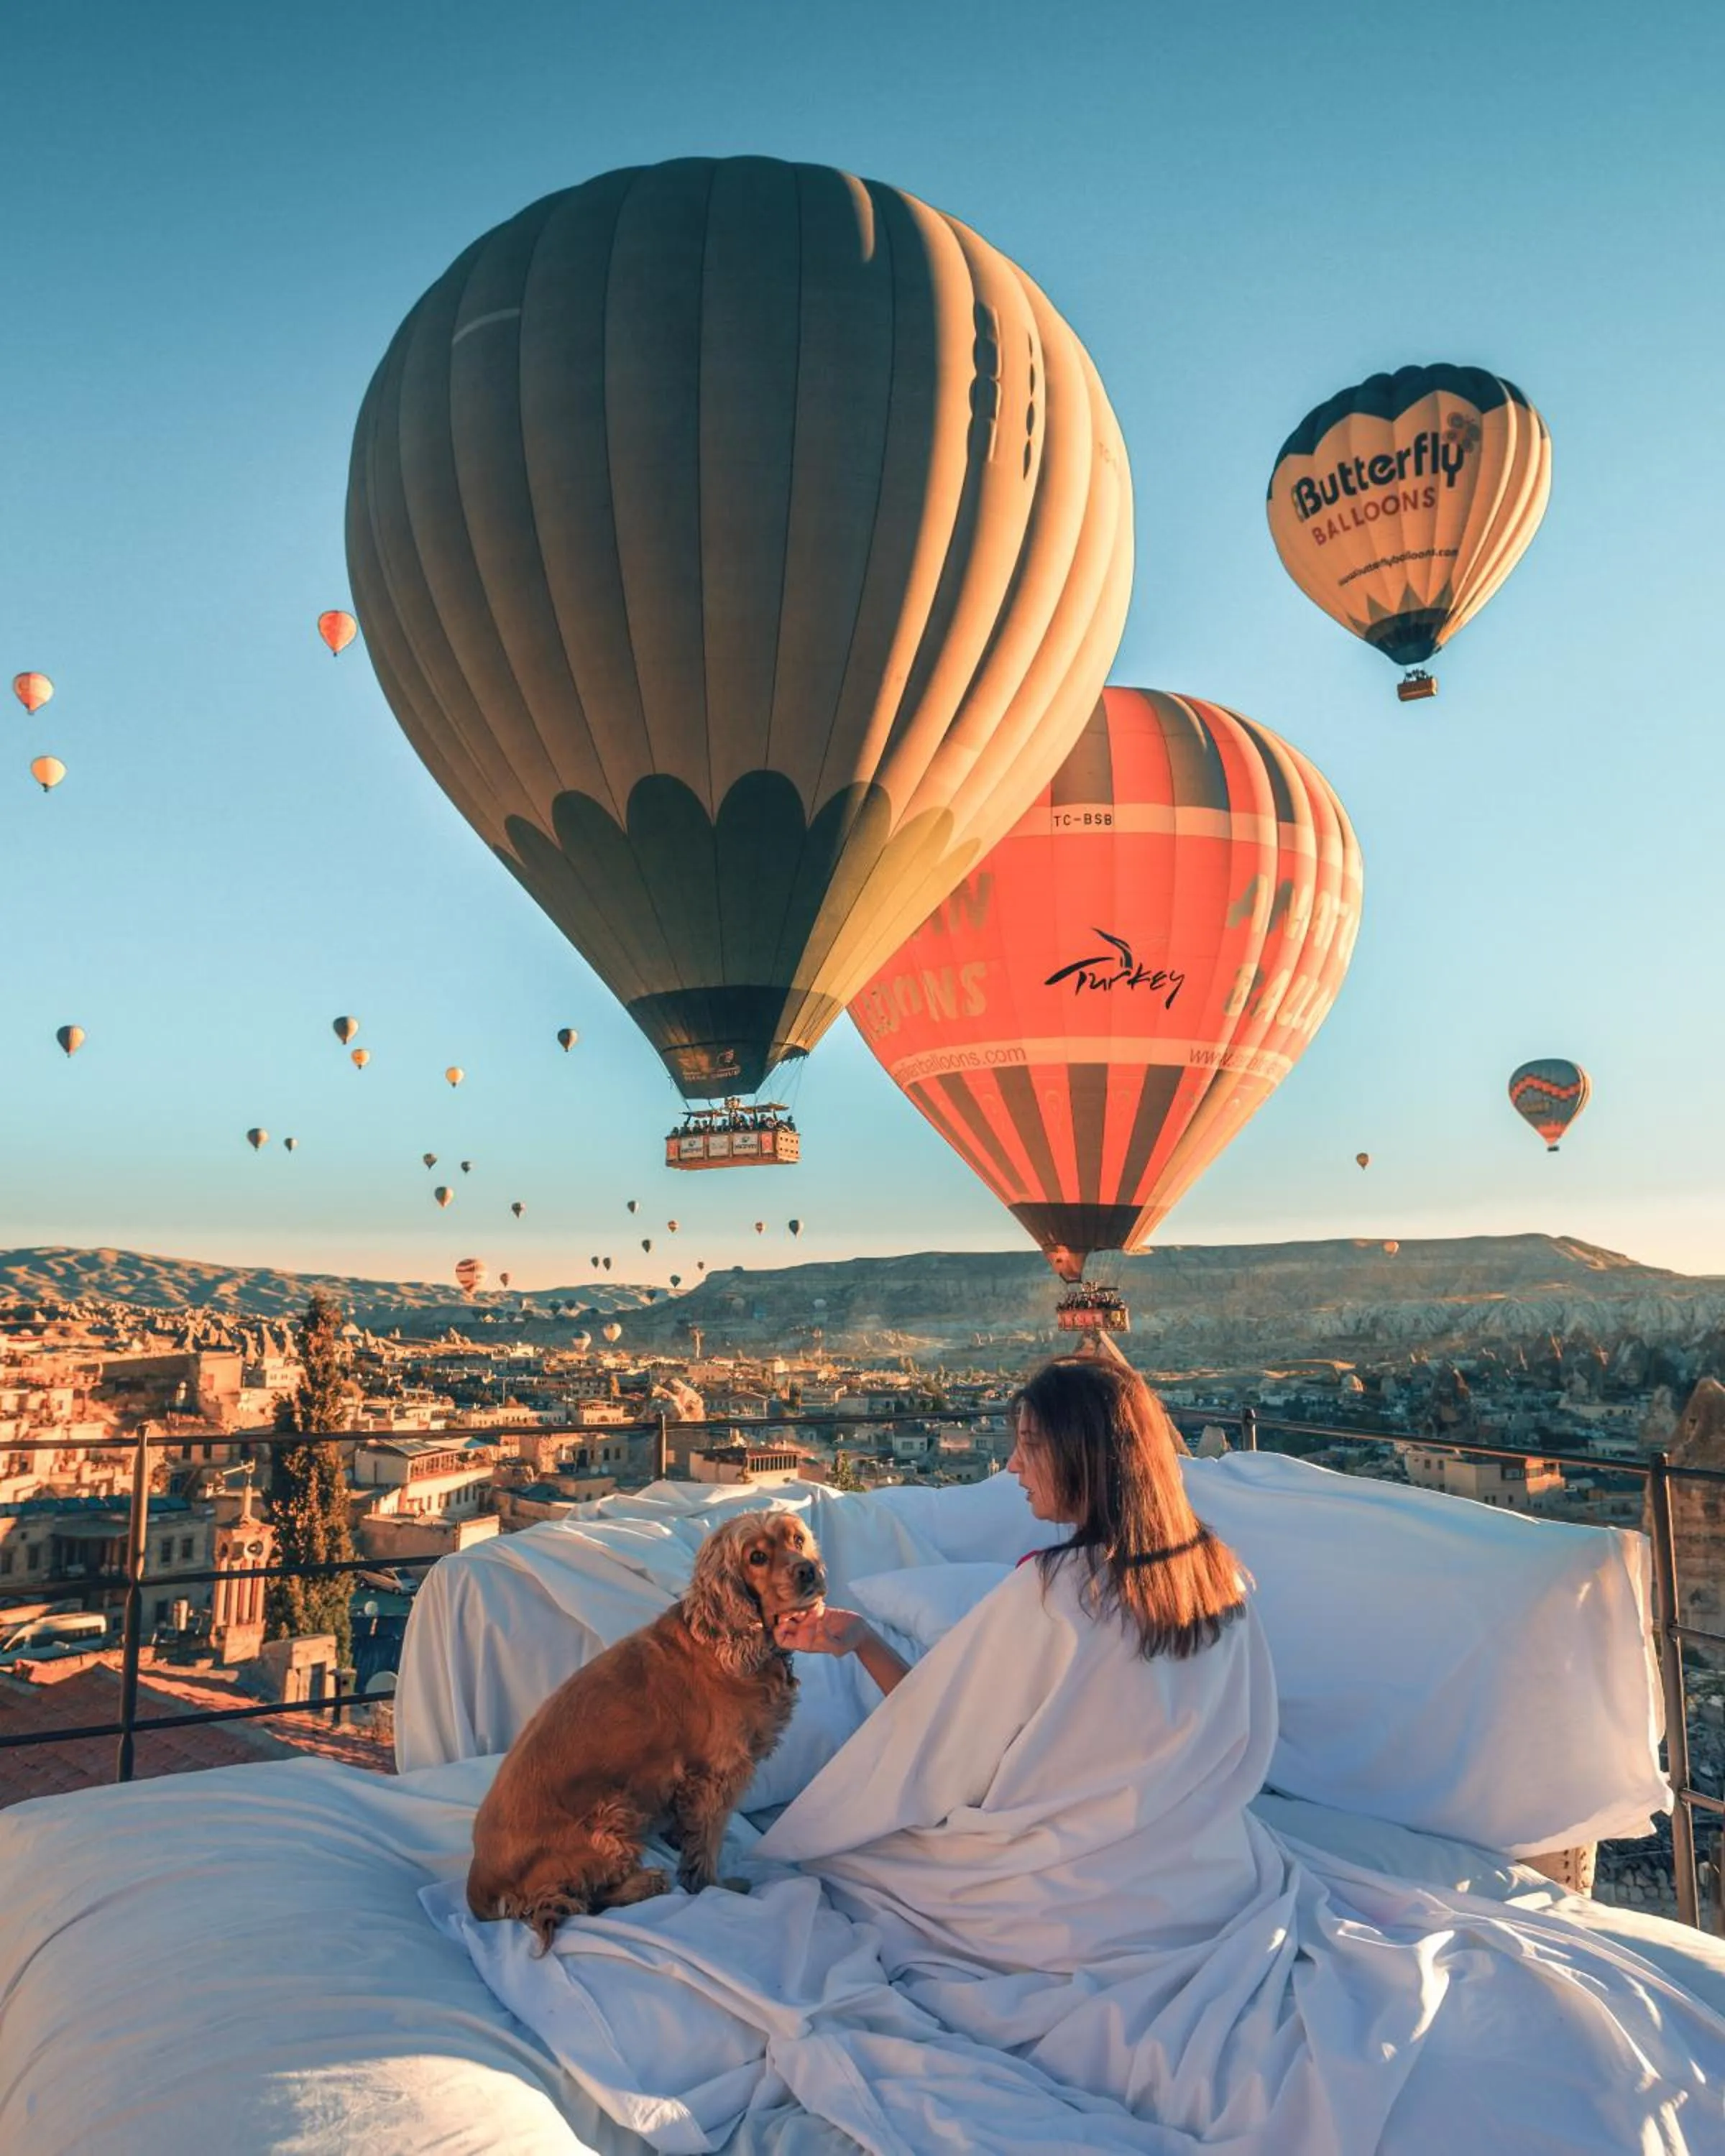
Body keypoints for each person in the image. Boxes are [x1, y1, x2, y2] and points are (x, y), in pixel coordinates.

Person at [774, 1355, 1233, 1689]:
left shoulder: (1051, 1588)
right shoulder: (1220, 1574)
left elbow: (951, 1739)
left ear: (1085, 1454)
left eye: (1030, 1444)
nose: (1013, 1465)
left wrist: (865, 1644)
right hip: (1194, 1818)